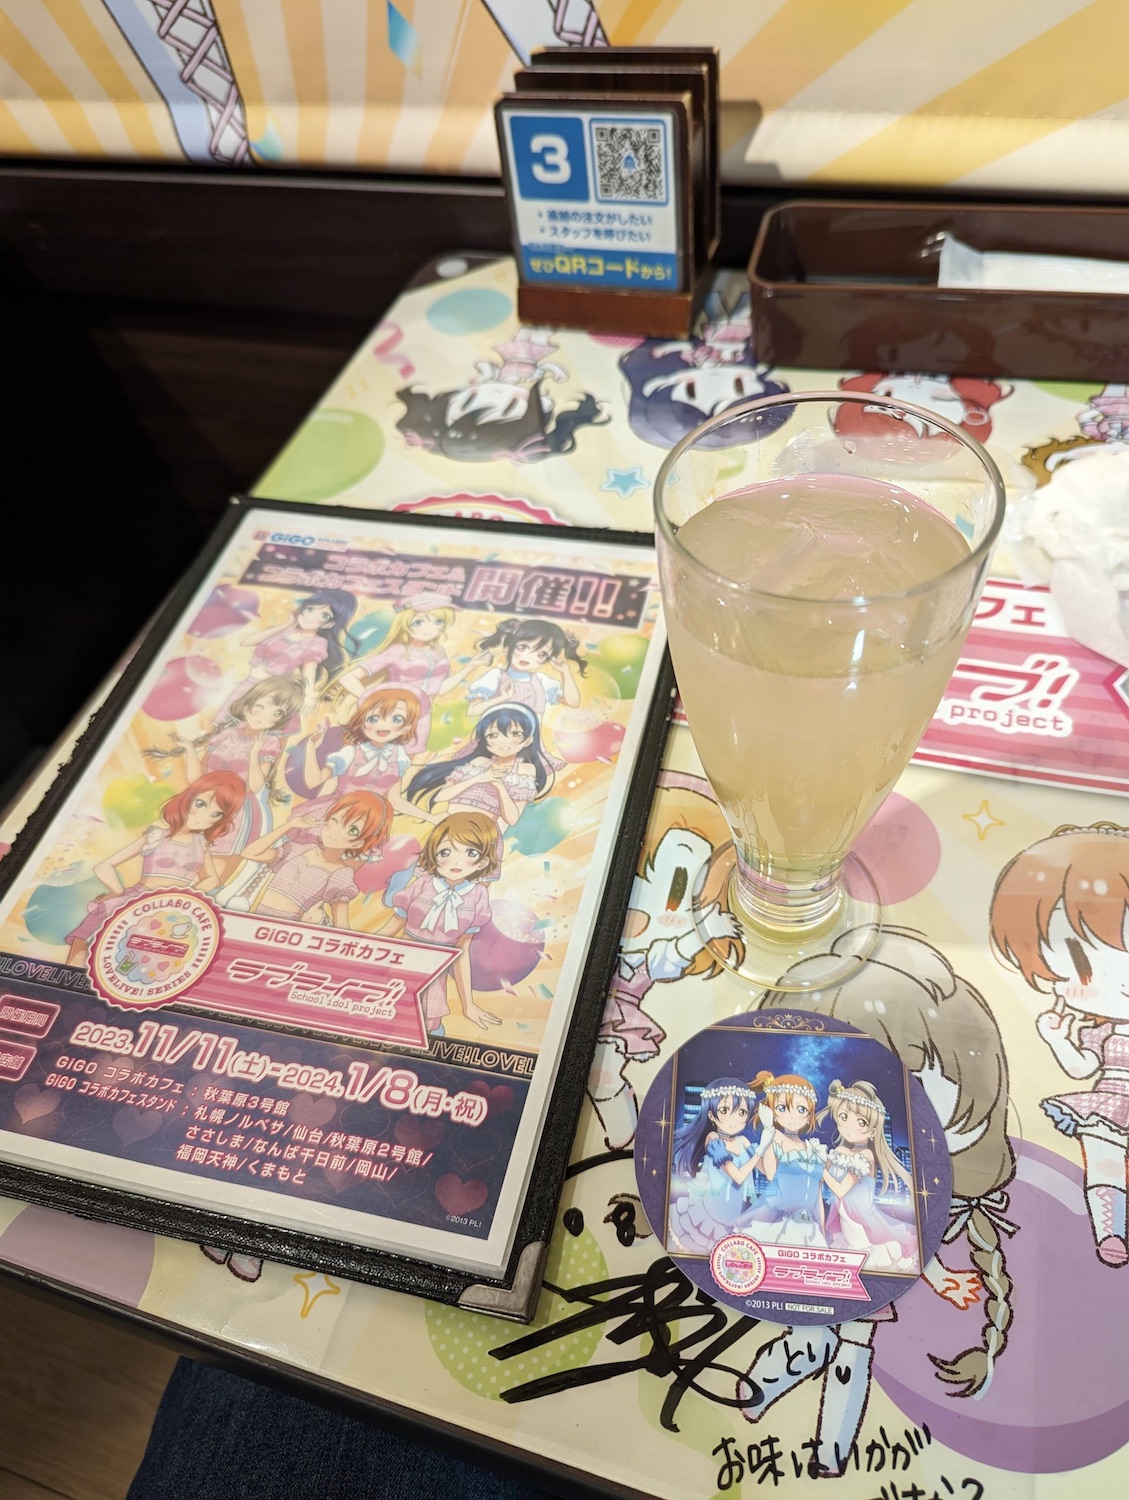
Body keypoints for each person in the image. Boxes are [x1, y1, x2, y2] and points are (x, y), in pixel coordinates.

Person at [667, 1077, 773, 1254]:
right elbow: (738, 1176)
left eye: (741, 1112)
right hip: (711, 1211)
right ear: (711, 1115)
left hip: (735, 1212)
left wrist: (769, 1130)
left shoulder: (743, 1141)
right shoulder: (713, 1139)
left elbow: (768, 1172)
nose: (734, 1119)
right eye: (724, 1110)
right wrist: (761, 1149)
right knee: (707, 1251)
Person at [820, 1078, 917, 1272]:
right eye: (844, 1116)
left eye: (861, 1122)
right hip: (845, 1215)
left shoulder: (866, 1155)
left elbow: (841, 1189)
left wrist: (821, 1168)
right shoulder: (841, 1151)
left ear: (872, 1131)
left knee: (869, 1255)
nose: (849, 1126)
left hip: (862, 1218)